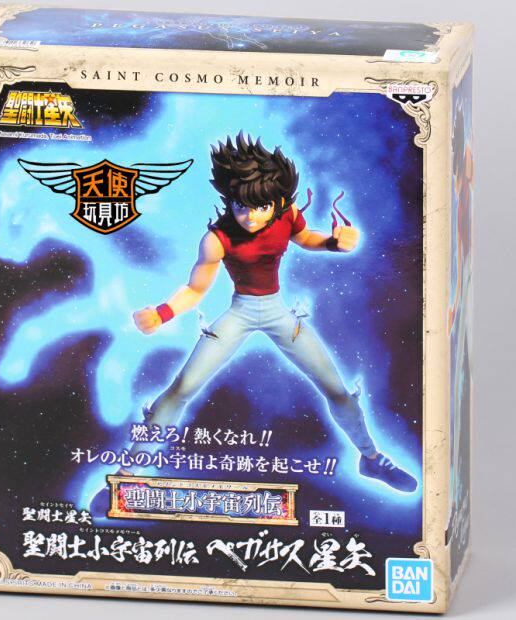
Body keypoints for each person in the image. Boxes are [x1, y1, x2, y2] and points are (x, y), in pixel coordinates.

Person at [130, 132, 417, 493]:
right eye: (240, 205)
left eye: (260, 205)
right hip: (239, 313)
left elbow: (306, 238)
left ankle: (370, 458)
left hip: (279, 314)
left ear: (277, 200)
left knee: (336, 390)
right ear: (229, 199)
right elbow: (196, 288)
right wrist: (162, 313)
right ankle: (129, 473)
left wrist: (334, 242)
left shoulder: (286, 214)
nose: (249, 216)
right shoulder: (217, 239)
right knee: (181, 388)